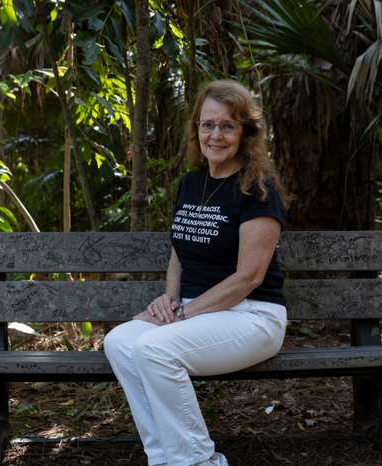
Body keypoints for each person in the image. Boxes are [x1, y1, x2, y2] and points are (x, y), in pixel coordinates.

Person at [103, 79, 290, 466]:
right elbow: (179, 251)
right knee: (120, 342)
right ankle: (167, 458)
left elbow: (248, 278)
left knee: (155, 350)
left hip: (253, 315)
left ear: (246, 133)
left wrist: (183, 315)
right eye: (208, 125)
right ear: (196, 130)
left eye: (227, 125)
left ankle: (199, 461)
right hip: (197, 311)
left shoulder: (258, 189)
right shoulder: (192, 183)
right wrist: (170, 300)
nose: (215, 135)